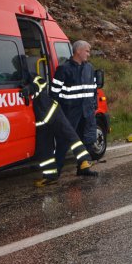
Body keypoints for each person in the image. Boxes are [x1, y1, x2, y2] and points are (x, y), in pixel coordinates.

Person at [21, 73, 98, 187]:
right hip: (41, 121)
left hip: (53, 112)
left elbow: (41, 83)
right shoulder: (16, 79)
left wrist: (30, 88)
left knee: (70, 137)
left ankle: (85, 161)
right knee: (44, 149)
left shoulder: (28, 75)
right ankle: (50, 177)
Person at [51, 40, 99, 174]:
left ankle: (83, 168)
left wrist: (94, 106)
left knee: (87, 140)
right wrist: (59, 113)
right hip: (70, 113)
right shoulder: (64, 69)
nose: (88, 54)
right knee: (64, 142)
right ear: (78, 51)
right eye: (87, 51)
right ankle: (55, 171)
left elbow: (94, 89)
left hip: (87, 112)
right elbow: (54, 94)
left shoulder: (90, 68)